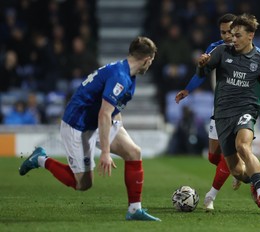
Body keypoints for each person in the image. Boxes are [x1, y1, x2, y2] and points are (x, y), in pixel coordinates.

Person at [19, 36, 161, 221]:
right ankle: (41, 159)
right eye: (151, 61)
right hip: (77, 124)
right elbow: (104, 113)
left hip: (96, 121)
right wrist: (105, 152)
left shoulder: (126, 72)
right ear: (147, 59)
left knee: (134, 152)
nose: (150, 64)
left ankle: (135, 210)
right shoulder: (120, 77)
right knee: (83, 184)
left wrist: (118, 127)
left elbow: (112, 109)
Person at [195, 14, 260, 211]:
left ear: (250, 35)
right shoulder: (221, 52)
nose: (232, 39)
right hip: (222, 114)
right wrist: (201, 66)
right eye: (232, 35)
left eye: (238, 36)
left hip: (246, 110)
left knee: (243, 146)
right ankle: (253, 180)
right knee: (236, 171)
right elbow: (203, 72)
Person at [175, 13, 260, 211]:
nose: (227, 36)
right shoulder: (217, 49)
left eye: (230, 32)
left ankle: (213, 195)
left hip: (243, 109)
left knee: (231, 152)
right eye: (223, 32)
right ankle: (248, 175)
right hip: (221, 109)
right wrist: (188, 88)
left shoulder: (254, 54)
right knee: (214, 157)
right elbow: (203, 72)